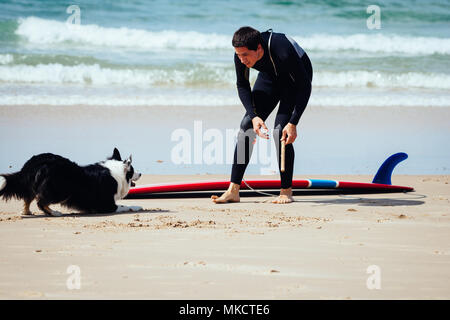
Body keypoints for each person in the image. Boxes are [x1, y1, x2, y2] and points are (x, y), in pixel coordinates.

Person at [211, 26, 313, 204]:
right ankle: (233, 190)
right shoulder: (241, 54)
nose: (241, 60)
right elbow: (242, 85)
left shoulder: (283, 50)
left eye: (245, 55)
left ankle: (286, 191)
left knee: (280, 132)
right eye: (238, 55)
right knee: (246, 126)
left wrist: (293, 122)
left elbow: (305, 86)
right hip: (270, 78)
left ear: (259, 49)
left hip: (294, 82)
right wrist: (254, 116)